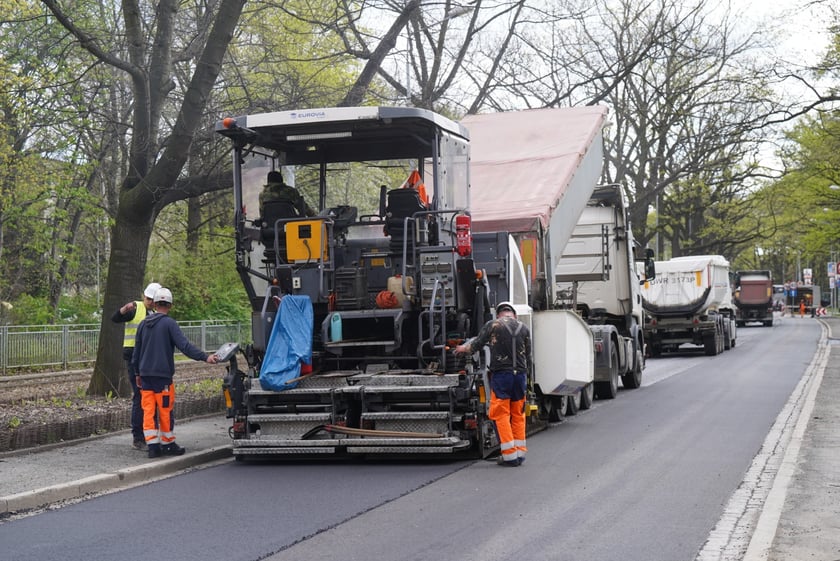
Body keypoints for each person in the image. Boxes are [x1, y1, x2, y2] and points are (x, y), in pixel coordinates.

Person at [131, 287, 218, 458]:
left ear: (154, 304)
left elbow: (137, 352)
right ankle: (168, 443)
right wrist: (205, 357)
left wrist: (137, 374)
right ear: (170, 305)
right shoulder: (169, 324)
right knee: (164, 410)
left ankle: (153, 446)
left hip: (146, 376)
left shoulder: (143, 325)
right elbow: (184, 346)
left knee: (148, 410)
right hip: (163, 376)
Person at [454, 301, 531, 467]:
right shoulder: (523, 328)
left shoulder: (493, 325)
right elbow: (528, 356)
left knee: (500, 414)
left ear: (499, 315)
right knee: (518, 414)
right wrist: (527, 380)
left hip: (502, 376)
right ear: (514, 315)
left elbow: (475, 345)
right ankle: (520, 452)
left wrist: (461, 349)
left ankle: (509, 456)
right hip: (520, 376)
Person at [111, 282, 161, 450]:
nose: (150, 302)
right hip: (134, 358)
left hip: (149, 359)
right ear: (144, 297)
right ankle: (139, 438)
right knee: (140, 396)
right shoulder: (136, 308)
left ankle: (150, 434)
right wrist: (124, 309)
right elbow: (115, 318)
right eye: (148, 298)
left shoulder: (156, 313)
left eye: (152, 299)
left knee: (150, 397)